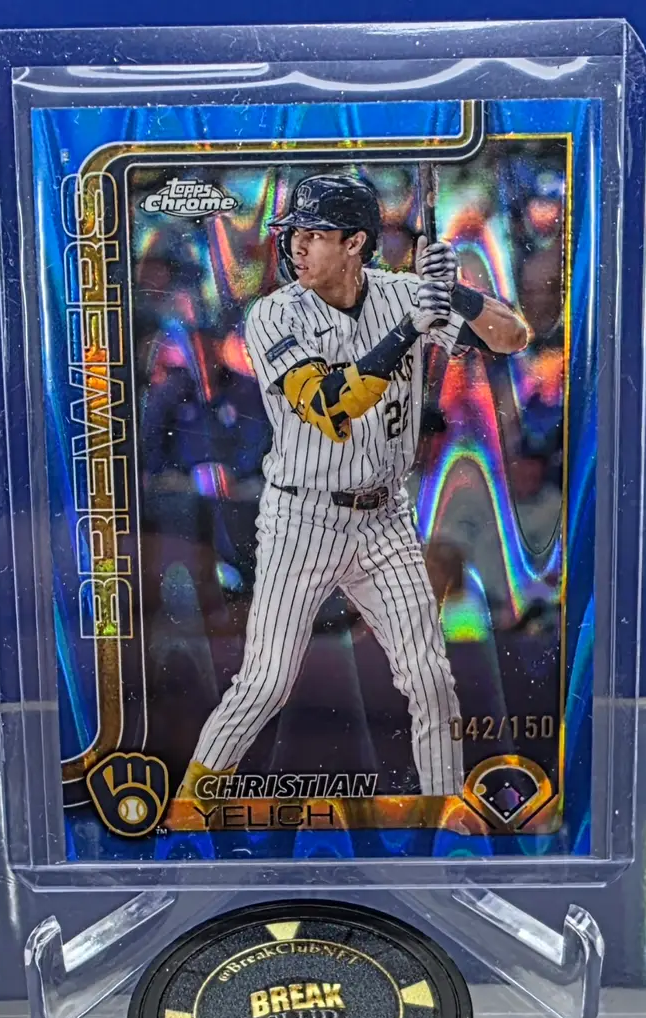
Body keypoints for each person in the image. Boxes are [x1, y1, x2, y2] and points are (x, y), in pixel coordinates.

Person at [177, 173, 527, 798]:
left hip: (385, 520)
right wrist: (408, 330)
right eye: (294, 233)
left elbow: (513, 338)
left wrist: (456, 294)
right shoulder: (274, 313)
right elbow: (330, 408)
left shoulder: (401, 294)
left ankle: (445, 811)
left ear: (356, 242)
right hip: (303, 520)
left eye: (315, 234)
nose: (296, 246)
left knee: (430, 680)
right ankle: (190, 804)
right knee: (265, 684)